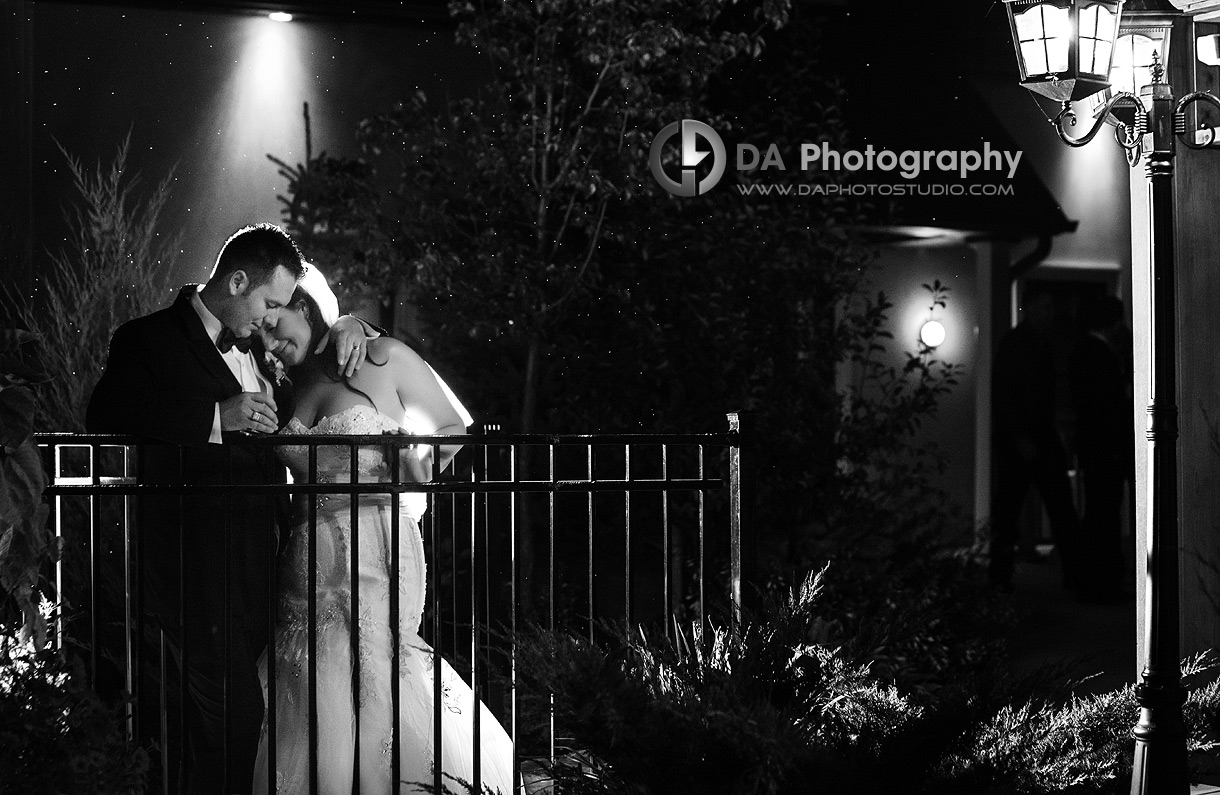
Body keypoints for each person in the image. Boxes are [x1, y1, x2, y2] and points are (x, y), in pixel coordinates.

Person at [85, 223, 373, 794]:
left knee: (237, 726)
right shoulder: (148, 338)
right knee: (231, 724)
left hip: (259, 580)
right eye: (268, 302)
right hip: (193, 577)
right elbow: (107, 417)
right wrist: (216, 420)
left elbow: (316, 378)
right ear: (236, 280)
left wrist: (351, 324)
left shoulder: (261, 351)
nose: (272, 318)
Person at [251, 265, 514, 795]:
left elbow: (453, 426)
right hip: (306, 563)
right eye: (260, 333)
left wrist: (415, 469)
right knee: (312, 677)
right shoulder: (285, 387)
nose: (269, 341)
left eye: (275, 325)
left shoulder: (382, 356)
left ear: (304, 306)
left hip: (377, 548)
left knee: (376, 669)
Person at [990, 282, 1082, 592]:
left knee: (1055, 508)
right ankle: (1001, 576)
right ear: (1030, 308)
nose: (1051, 313)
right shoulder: (1020, 344)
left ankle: (1071, 572)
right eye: (1045, 307)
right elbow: (1005, 396)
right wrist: (1019, 437)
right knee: (1016, 511)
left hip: (1036, 437)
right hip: (1028, 440)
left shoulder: (1034, 342)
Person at [1069, 294, 1132, 603]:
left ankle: (1096, 579)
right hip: (1104, 447)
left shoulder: (1086, 351)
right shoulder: (1098, 353)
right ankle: (1100, 581)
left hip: (1095, 446)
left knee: (1099, 512)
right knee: (1103, 513)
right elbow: (1107, 407)